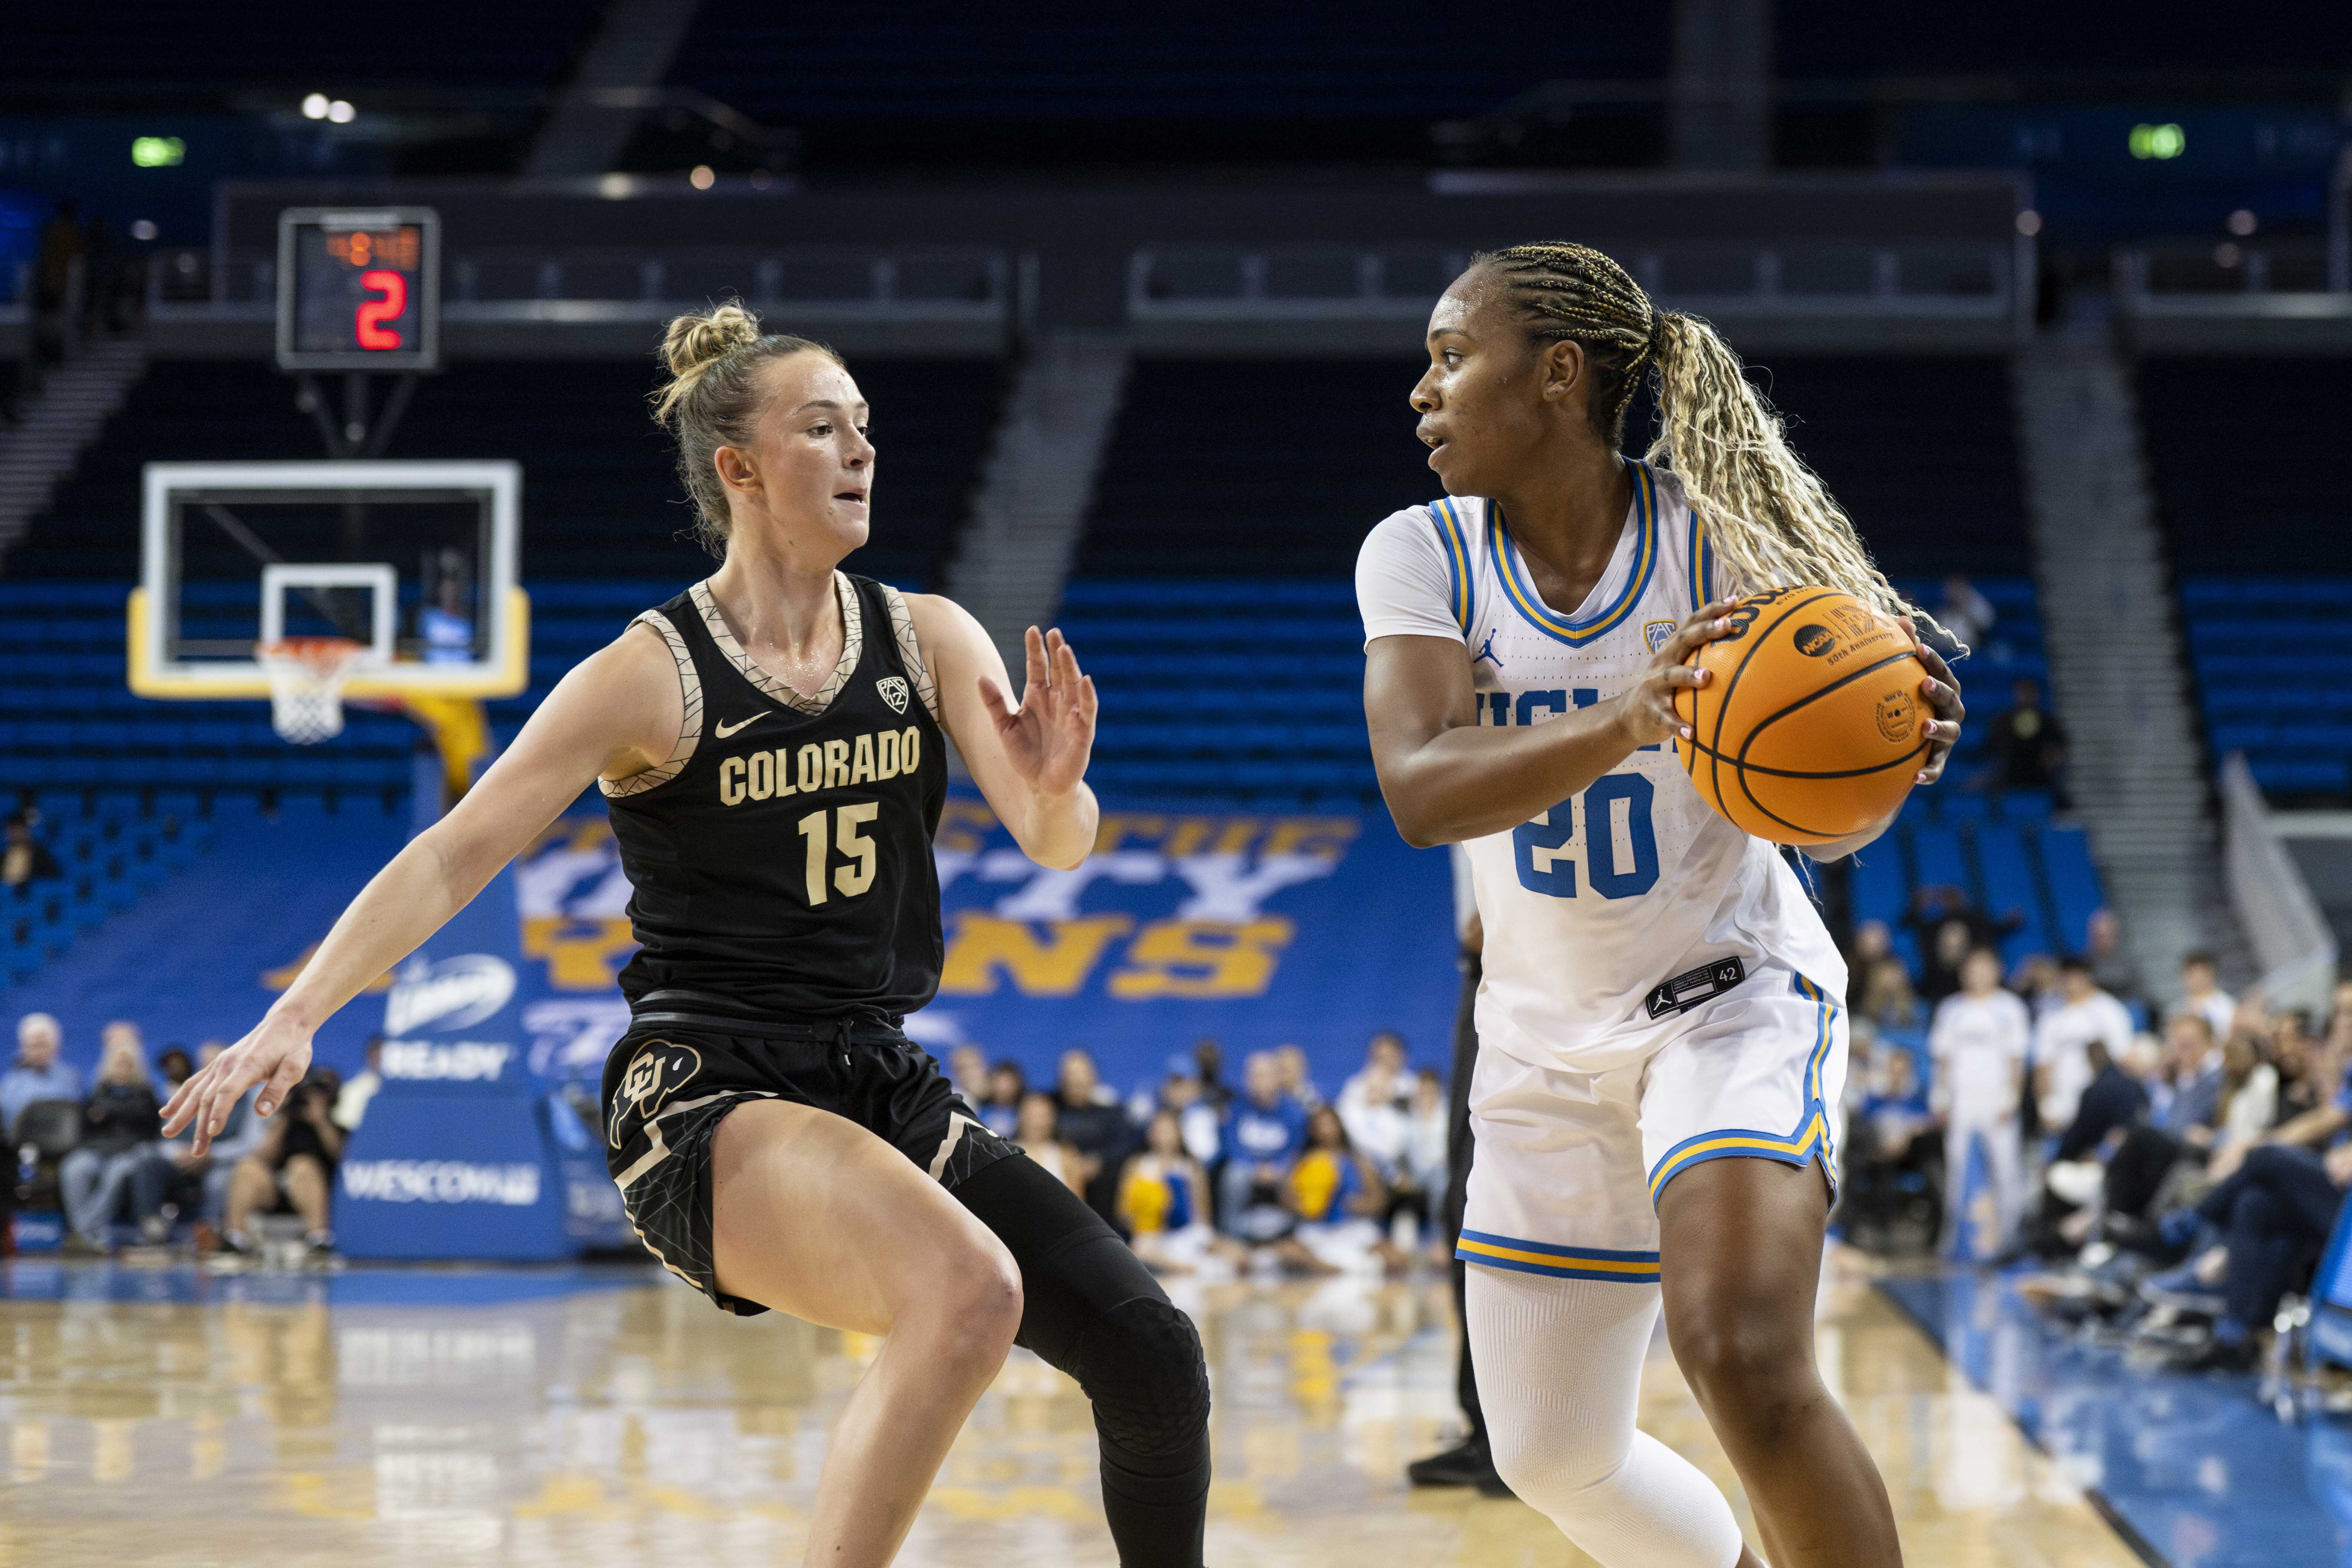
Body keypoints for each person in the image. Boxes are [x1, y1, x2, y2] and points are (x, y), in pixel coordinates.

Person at [163, 304, 1210, 1568]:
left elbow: (1058, 842)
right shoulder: (647, 673)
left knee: (1151, 1350)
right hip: (707, 1092)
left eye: (866, 426)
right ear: (742, 468)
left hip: (879, 1078)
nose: (860, 448)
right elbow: (456, 847)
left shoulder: (927, 637)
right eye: (822, 427)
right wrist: (300, 1009)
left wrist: (1054, 789)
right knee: (970, 1290)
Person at [1358, 241, 1962, 1567]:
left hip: (1727, 1002)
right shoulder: (1421, 555)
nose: (1422, 390)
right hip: (1536, 1048)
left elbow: (1863, 721)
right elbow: (1418, 787)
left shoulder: (1713, 541)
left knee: (1737, 1353)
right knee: (1550, 1455)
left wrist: (1899, 726)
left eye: (1452, 357)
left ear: (1557, 376)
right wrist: (1624, 716)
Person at [1930, 948, 2030, 1256]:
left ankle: (2009, 1240)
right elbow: (1942, 1058)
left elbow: (2017, 1057)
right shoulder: (1951, 1009)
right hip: (1963, 1100)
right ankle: (1954, 1242)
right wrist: (1941, 1096)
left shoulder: (2010, 1007)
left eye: (1984, 969)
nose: (1978, 976)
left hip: (1996, 1098)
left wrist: (2011, 1097)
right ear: (1964, 973)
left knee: (2006, 1171)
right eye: (1972, 969)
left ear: (1997, 971)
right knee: (1957, 1171)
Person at [60, 1026, 172, 1248]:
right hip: (96, 1150)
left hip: (131, 1152)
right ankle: (88, 1236)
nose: (122, 1069)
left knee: (117, 1172)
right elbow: (85, 1127)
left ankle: (81, 1234)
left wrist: (108, 1111)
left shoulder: (147, 1095)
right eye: (117, 1063)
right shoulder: (96, 1094)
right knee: (75, 1168)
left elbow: (150, 1129)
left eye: (127, 1064)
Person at [222, 1068, 345, 1255]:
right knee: (247, 1167)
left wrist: (321, 1121)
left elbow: (344, 1159)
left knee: (302, 1165)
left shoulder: (337, 1128)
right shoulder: (284, 1124)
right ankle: (235, 1239)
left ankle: (319, 1240)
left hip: (314, 1194)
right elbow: (264, 1156)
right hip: (277, 1191)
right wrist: (284, 1115)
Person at [2033, 956, 2135, 1133]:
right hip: (2064, 1101)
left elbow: (2124, 1058)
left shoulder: (2110, 1010)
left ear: (2087, 977)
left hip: (2102, 1099)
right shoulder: (2050, 1017)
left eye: (2076, 977)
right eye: (2066, 978)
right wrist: (2048, 1105)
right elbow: (2043, 1066)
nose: (2071, 983)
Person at [1217, 1049, 1307, 1239]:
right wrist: (1255, 1168)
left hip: (1280, 1169)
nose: (1256, 1081)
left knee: (1297, 1176)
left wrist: (1277, 1168)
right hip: (1247, 1169)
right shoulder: (1236, 1109)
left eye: (1262, 1075)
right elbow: (1230, 1146)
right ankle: (1231, 1233)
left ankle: (1299, 1230)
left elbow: (1297, 1148)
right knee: (1234, 1175)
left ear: (1276, 1078)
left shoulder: (1294, 1112)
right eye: (1251, 1075)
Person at [1117, 1108, 1214, 1275]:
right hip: (1150, 1238)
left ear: (1180, 1134)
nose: (1165, 1137)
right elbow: (1123, 1213)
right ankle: (1179, 1267)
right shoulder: (1136, 1165)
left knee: (1231, 1252)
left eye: (1170, 1131)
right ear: (1150, 1134)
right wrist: (1149, 1214)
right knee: (1137, 1252)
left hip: (1188, 1235)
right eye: (1160, 1131)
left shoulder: (1192, 1168)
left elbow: (1204, 1216)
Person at [1983, 676, 2068, 802]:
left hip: (2040, 775)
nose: (2026, 697)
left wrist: (2052, 758)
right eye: (2022, 693)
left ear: (2037, 695)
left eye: (2030, 693)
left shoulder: (2048, 722)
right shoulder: (2004, 721)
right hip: (2010, 774)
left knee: (2061, 802)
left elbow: (2060, 746)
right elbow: (1989, 746)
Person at [2, 1012, 81, 1138]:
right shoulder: (11, 1084)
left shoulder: (70, 1077)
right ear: (23, 1048)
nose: (39, 1052)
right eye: (34, 1046)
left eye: (43, 1045)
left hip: (65, 1145)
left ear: (56, 1047)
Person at [1013, 1091, 1089, 1194]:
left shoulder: (1068, 1156)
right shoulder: (1004, 1153)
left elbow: (1078, 1201)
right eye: (1032, 1116)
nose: (1037, 1123)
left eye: (1042, 1117)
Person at [2171, 952, 2236, 1046]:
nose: (2195, 979)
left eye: (2199, 974)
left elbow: (2226, 1036)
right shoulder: (2177, 1009)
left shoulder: (2226, 1004)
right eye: (2191, 974)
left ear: (2210, 974)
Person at [332, 1035, 383, 1131]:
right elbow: (346, 1126)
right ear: (369, 1056)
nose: (381, 1059)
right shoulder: (352, 1091)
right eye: (377, 1054)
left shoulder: (405, 1090)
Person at [3, 813, 62, 890]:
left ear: (26, 831)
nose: (14, 834)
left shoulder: (40, 854)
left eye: (17, 830)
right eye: (11, 831)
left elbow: (52, 879)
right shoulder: (4, 855)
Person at [975, 1058, 1026, 1140]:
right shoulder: (978, 1110)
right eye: (999, 1082)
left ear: (1018, 1084)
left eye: (1008, 1083)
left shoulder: (1025, 1112)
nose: (1003, 1088)